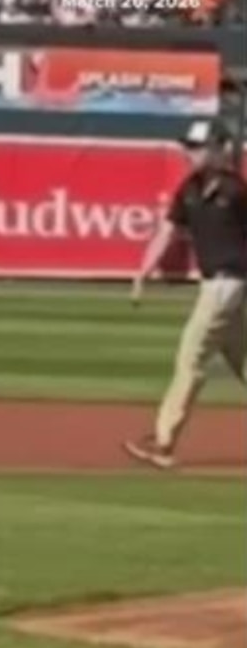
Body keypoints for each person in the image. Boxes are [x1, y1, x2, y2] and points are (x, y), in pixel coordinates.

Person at [125, 117, 247, 470]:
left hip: (229, 283)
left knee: (190, 359)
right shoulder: (189, 189)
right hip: (219, 284)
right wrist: (143, 271)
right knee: (242, 361)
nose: (189, 153)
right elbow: (166, 231)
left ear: (220, 149)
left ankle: (163, 442)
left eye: (197, 147)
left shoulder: (236, 191)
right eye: (189, 147)